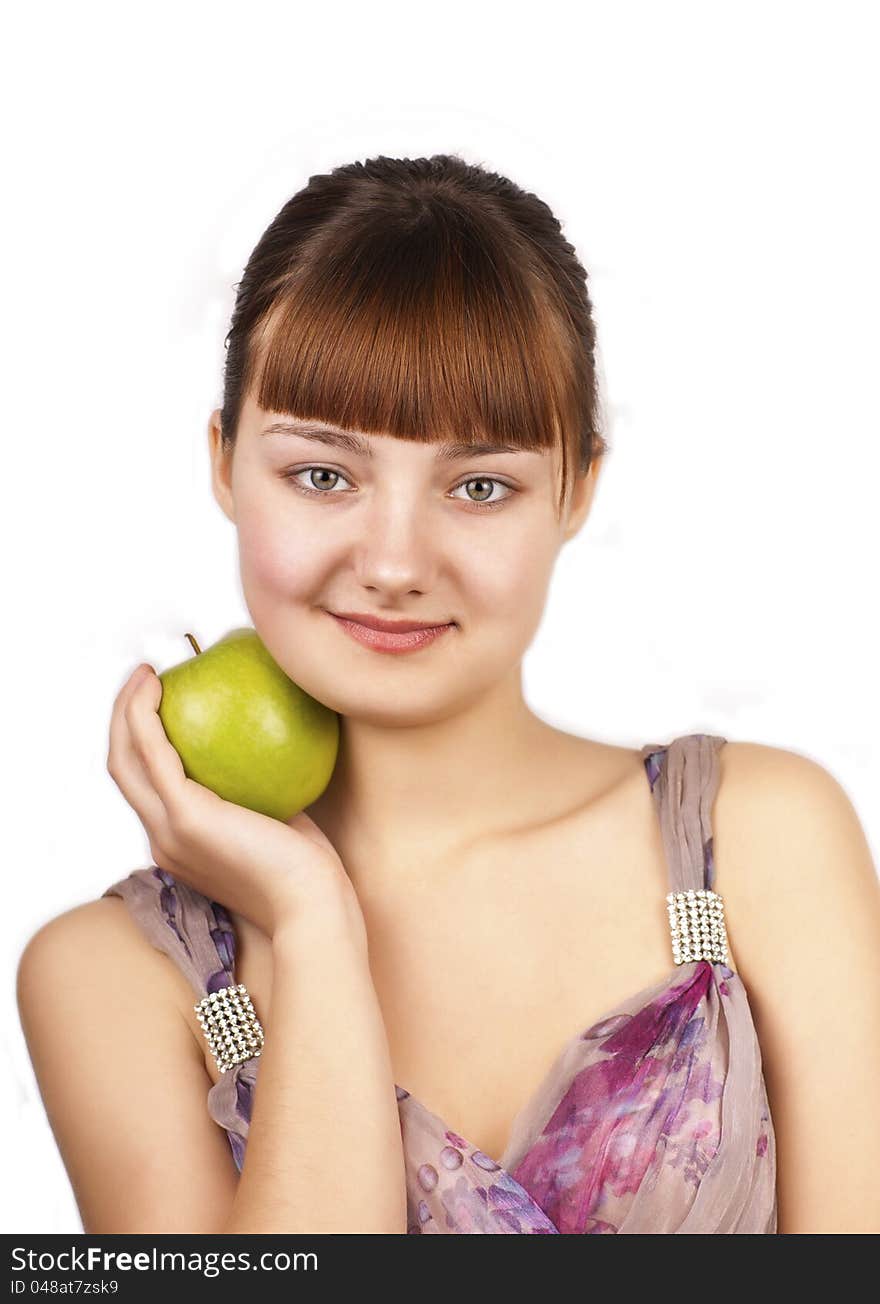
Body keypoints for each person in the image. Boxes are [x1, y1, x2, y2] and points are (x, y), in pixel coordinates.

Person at [16, 153, 880, 1236]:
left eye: (479, 485)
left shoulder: (759, 838)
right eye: (322, 474)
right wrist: (311, 915)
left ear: (577, 489)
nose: (392, 560)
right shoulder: (109, 979)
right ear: (224, 460)